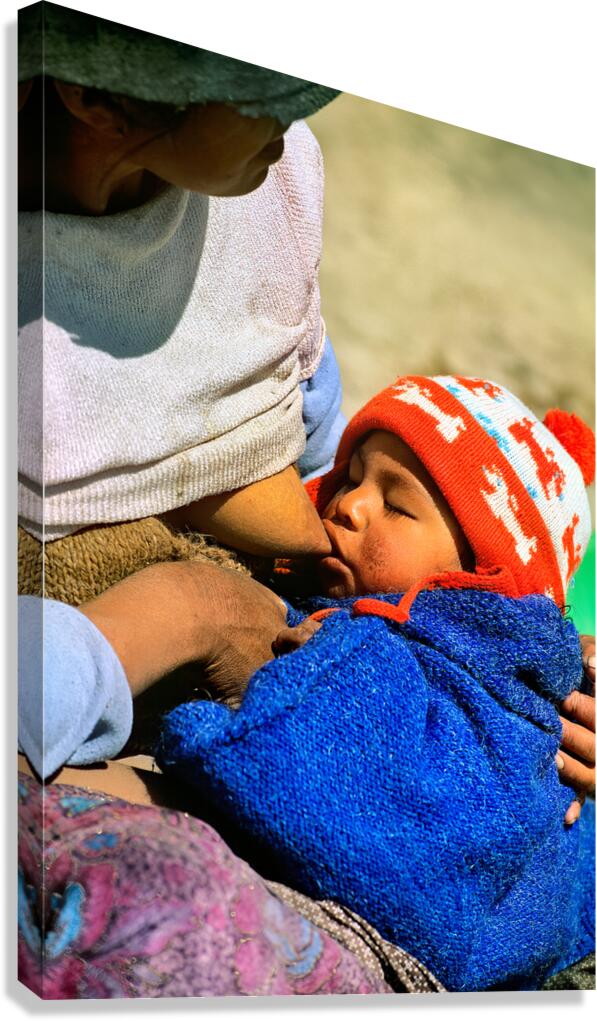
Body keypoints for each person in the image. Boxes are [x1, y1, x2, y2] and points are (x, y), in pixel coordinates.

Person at [157, 375, 596, 991]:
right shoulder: (307, 586)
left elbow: (439, 854)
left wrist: (342, 667)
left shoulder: (497, 711)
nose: (348, 504)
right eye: (350, 478)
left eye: (396, 504)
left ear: (479, 581)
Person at [18, 3, 344, 609]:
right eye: (263, 91)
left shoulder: (275, 189)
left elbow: (321, 418)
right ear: (94, 95)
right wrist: (196, 611)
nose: (295, 117)